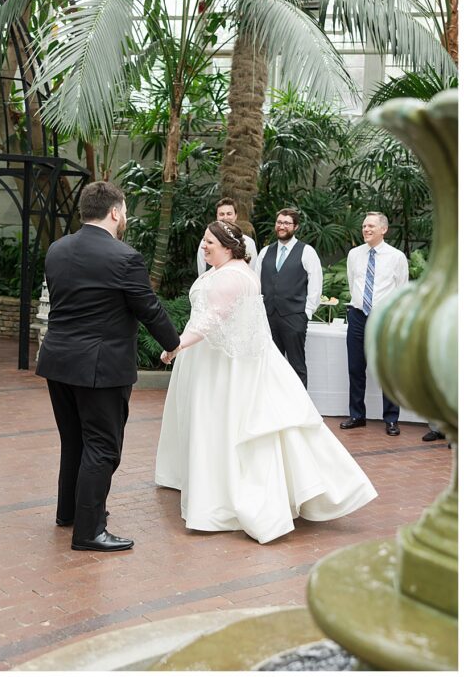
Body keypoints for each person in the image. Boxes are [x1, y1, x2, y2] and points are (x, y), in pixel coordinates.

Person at [156, 221, 377, 543]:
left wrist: (176, 345)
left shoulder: (232, 276)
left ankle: (225, 496)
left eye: (209, 242)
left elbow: (211, 318)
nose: (203, 247)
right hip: (221, 359)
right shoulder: (230, 269)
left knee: (230, 425)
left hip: (227, 366)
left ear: (228, 247)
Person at [36, 181, 180, 552]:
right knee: (102, 447)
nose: (126, 216)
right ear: (115, 212)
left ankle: (69, 513)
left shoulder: (57, 250)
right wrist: (174, 343)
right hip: (101, 367)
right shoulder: (123, 257)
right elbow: (147, 307)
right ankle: (89, 531)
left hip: (58, 361)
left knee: (74, 442)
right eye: (126, 209)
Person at [339, 212, 410, 437]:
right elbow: (354, 284)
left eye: (371, 226)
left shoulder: (396, 257)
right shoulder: (354, 254)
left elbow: (401, 289)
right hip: (358, 316)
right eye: (364, 226)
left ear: (383, 230)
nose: (366, 230)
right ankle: (357, 415)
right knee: (356, 369)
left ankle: (391, 419)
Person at [255, 208, 322, 387]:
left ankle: (300, 411)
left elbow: (315, 284)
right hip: (268, 317)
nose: (282, 226)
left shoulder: (307, 252)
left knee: (296, 365)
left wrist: (306, 312)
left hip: (294, 317)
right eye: (279, 222)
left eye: (286, 223)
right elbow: (256, 285)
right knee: (270, 365)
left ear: (296, 226)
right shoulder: (264, 252)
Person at [196, 197, 258, 275]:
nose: (225, 217)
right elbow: (202, 271)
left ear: (236, 216)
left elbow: (252, 272)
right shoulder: (205, 242)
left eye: (229, 214)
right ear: (217, 216)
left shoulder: (248, 242)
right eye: (221, 214)